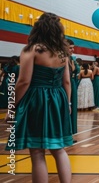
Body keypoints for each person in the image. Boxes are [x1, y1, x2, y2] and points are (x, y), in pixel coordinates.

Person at [5, 12, 72, 182]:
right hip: (58, 98)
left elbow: (23, 82)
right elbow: (67, 82)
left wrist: (11, 107)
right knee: (59, 149)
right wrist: (68, 103)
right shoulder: (63, 53)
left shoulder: (32, 49)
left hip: (37, 100)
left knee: (36, 151)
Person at [66, 39, 79, 138]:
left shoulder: (72, 59)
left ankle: (70, 133)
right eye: (70, 48)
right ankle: (65, 133)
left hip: (73, 84)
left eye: (73, 48)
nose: (72, 50)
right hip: (66, 84)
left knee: (73, 109)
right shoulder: (62, 58)